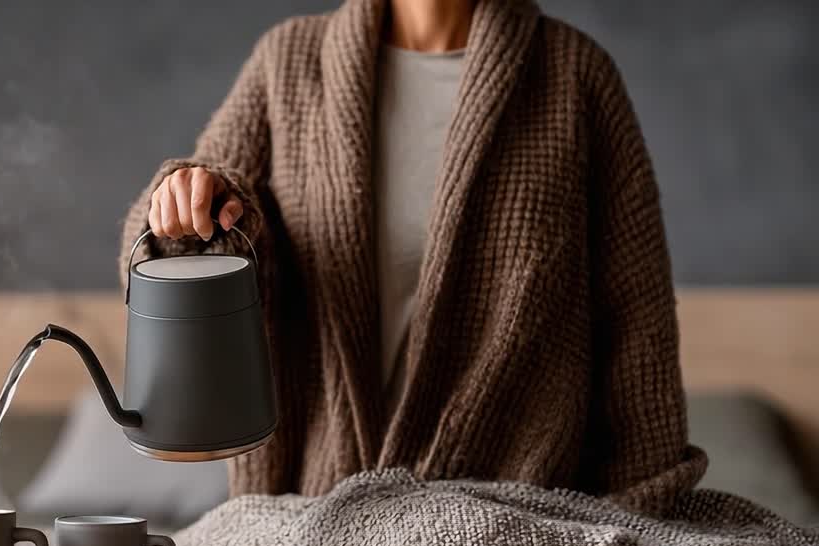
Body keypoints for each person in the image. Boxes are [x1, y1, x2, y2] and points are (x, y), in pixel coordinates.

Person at [119, 0, 707, 514]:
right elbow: (167, 249)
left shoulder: (575, 76)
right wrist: (185, 205)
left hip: (517, 526)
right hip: (315, 522)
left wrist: (641, 521)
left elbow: (638, 325)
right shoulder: (289, 61)